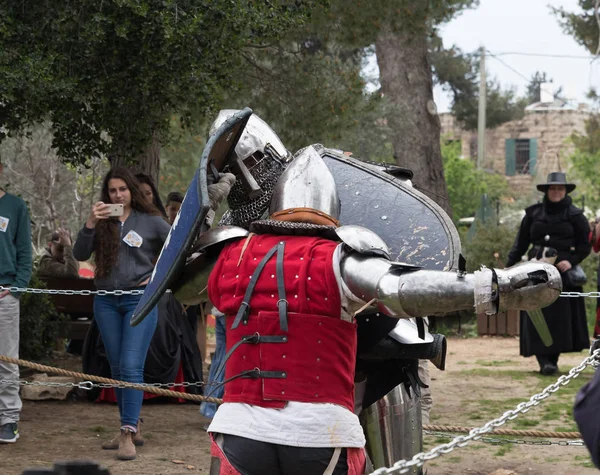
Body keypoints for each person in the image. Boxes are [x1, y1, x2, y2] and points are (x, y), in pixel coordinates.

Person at [151, 146, 561, 475]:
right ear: (335, 211)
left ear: (275, 205)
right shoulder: (340, 259)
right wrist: (498, 286)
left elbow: (168, 284)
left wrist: (203, 210)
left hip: (238, 432)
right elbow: (402, 288)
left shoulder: (229, 256)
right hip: (321, 434)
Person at [73, 167, 172, 461]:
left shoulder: (151, 221)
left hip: (138, 300)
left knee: (130, 365)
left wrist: (155, 276)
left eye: (122, 190)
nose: (117, 195)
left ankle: (128, 433)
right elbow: (79, 254)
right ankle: (128, 426)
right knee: (116, 369)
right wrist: (91, 222)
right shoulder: (103, 221)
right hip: (105, 301)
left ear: (132, 191)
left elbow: (178, 249)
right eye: (112, 191)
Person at [507, 172, 591, 375]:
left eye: (560, 189)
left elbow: (585, 245)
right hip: (535, 269)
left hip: (562, 272)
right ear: (546, 191)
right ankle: (543, 360)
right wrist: (508, 269)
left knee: (559, 316)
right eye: (553, 188)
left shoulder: (575, 215)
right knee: (537, 312)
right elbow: (521, 243)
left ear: (565, 191)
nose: (556, 192)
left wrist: (570, 261)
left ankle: (552, 360)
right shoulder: (533, 214)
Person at [0, 156, 33, 444]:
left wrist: (16, 288)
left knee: (7, 360)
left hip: (4, 293)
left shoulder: (15, 206)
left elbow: (25, 252)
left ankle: (8, 419)